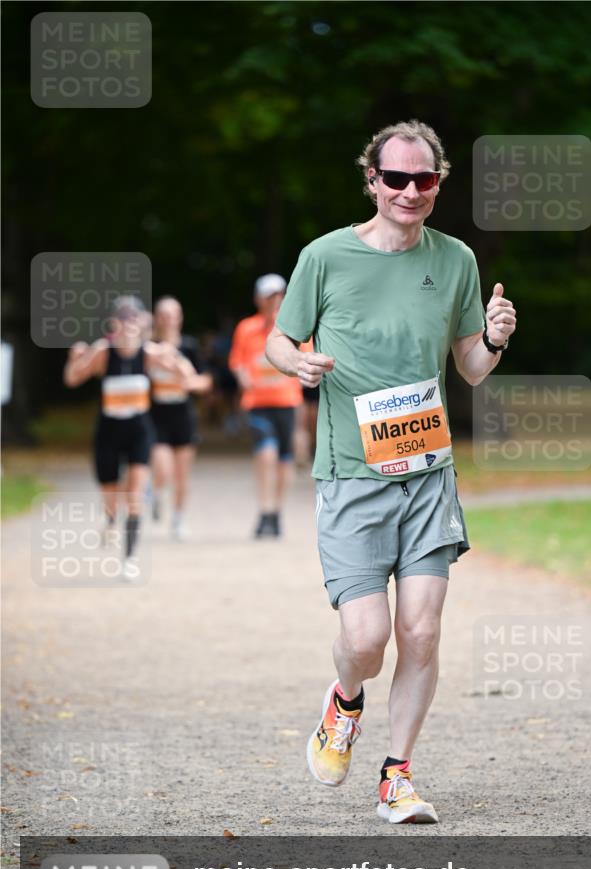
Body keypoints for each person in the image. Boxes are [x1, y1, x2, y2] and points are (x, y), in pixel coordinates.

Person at [266, 120, 517, 824]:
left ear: (438, 182)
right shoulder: (326, 256)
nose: (410, 191)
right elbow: (276, 341)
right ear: (371, 180)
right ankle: (344, 702)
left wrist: (494, 337)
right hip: (352, 473)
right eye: (395, 178)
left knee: (423, 631)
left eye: (424, 179)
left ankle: (396, 774)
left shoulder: (456, 259)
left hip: (428, 472)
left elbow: (469, 367)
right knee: (366, 638)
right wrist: (298, 362)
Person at [63, 296, 193, 578]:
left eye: (133, 318)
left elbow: (185, 373)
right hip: (108, 432)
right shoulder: (103, 351)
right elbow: (72, 379)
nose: (128, 324)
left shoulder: (148, 352)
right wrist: (75, 359)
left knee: (134, 494)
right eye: (122, 318)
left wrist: (177, 364)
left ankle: (130, 557)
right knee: (111, 496)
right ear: (113, 323)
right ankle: (110, 520)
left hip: (139, 432)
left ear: (142, 322)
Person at [229, 274, 303, 538]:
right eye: (270, 296)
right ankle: (263, 508)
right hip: (258, 403)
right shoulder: (246, 328)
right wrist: (242, 376)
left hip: (287, 402)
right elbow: (237, 361)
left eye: (280, 295)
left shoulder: (297, 328)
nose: (276, 301)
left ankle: (276, 513)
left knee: (284, 461)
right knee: (265, 454)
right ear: (258, 299)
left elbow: (306, 357)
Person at [150, 297, 212, 540]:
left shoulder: (189, 347)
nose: (168, 319)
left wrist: (190, 382)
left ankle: (177, 519)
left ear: (180, 318)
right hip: (156, 416)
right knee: (163, 469)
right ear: (157, 318)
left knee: (181, 474)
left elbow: (206, 381)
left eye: (173, 314)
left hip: (183, 415)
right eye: (163, 314)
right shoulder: (148, 348)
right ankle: (156, 492)